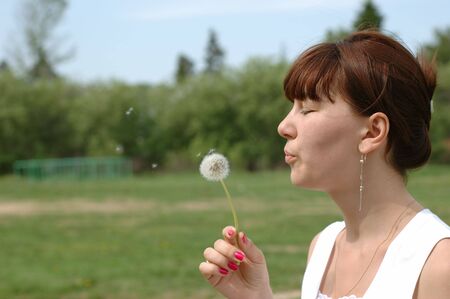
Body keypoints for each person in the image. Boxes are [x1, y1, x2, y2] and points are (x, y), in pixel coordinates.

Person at [198, 30, 450, 299]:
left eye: (307, 109)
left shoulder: (437, 265)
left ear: (372, 132)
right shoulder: (323, 247)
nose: (283, 126)